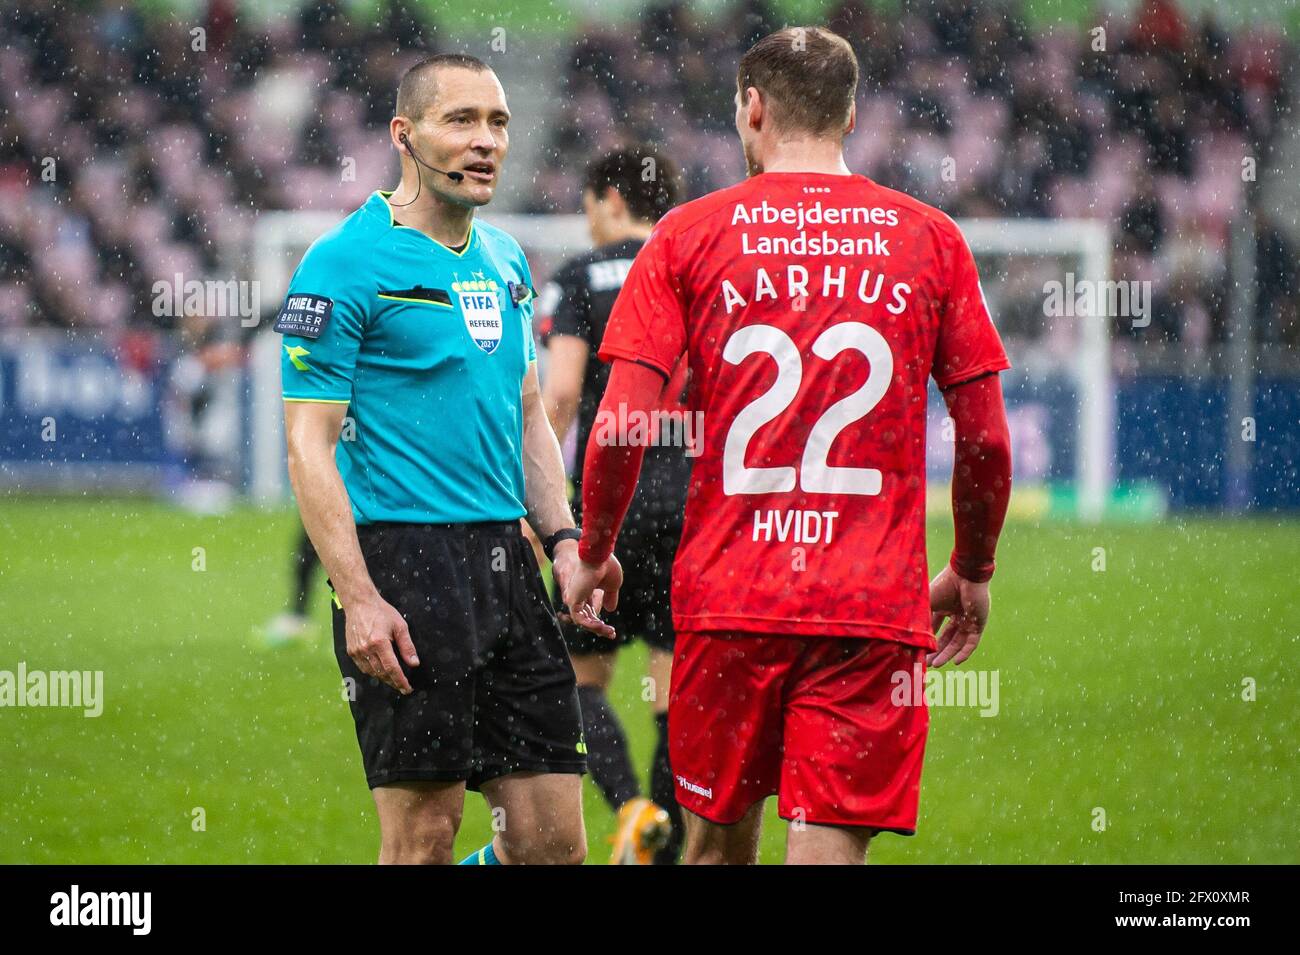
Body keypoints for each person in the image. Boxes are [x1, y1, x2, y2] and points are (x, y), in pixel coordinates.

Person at [564, 26, 1013, 864]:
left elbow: (620, 425)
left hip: (731, 599)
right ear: (850, 116)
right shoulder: (930, 239)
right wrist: (974, 568)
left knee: (714, 848)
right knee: (828, 850)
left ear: (753, 109)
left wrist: (593, 549)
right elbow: (984, 436)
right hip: (871, 601)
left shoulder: (687, 236)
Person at [278, 53, 610, 865]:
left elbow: (530, 413)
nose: (485, 141)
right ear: (405, 134)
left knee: (551, 844)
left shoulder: (505, 259)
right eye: (460, 121)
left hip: (508, 561)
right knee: (424, 837)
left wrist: (564, 541)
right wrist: (357, 596)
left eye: (497, 123)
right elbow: (308, 443)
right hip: (405, 562)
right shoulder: (342, 262)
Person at [538, 146, 688, 864]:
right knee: (674, 687)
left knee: (578, 677)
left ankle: (630, 808)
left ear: (608, 200)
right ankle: (660, 830)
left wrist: (533, 489)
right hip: (693, 506)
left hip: (611, 505)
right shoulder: (696, 266)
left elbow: (562, 391)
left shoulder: (581, 275)